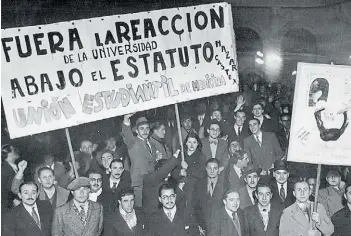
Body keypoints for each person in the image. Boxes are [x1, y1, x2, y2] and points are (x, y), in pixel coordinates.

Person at [121, 113, 157, 207]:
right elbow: (127, 134)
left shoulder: (151, 144)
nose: (145, 131)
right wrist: (126, 120)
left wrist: (156, 159)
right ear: (136, 131)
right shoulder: (133, 142)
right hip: (139, 183)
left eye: (147, 128)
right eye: (141, 128)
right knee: (140, 209)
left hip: (151, 182)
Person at [142, 149, 182, 217]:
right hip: (151, 216)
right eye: (167, 172)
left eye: (170, 172)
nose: (169, 175)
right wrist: (175, 156)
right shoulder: (149, 178)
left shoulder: (168, 182)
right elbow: (162, 172)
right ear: (158, 169)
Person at [192, 158, 226, 234]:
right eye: (209, 168)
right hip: (203, 228)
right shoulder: (199, 184)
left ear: (219, 169)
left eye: (215, 168)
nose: (212, 171)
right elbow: (195, 207)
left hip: (220, 227)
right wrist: (199, 225)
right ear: (205, 169)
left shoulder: (225, 185)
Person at [1, 144, 20, 215]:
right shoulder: (3, 169)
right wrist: (15, 199)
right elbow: (5, 189)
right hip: (8, 207)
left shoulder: (13, 167)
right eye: (14, 150)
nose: (17, 151)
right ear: (9, 153)